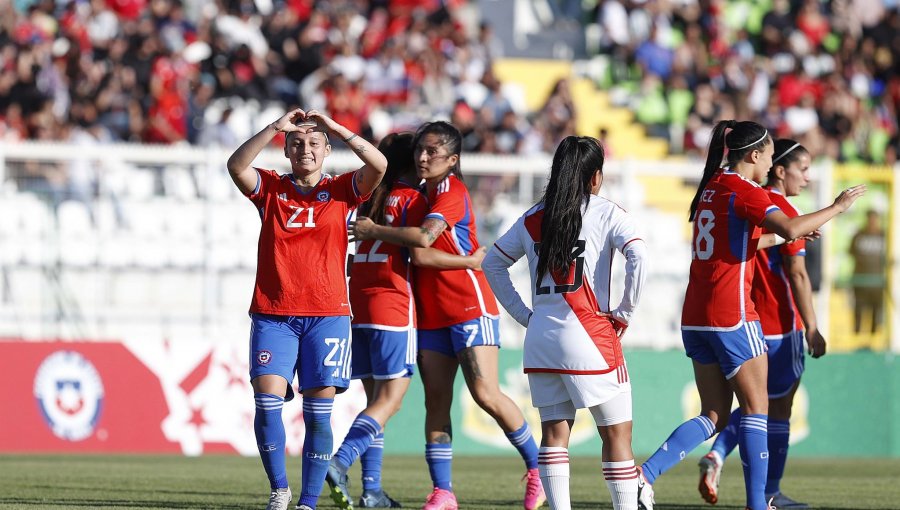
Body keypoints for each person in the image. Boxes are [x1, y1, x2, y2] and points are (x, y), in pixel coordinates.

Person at [635, 120, 865, 510]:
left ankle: (643, 477)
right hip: (733, 314)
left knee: (713, 414)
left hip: (694, 315)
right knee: (758, 410)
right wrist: (837, 207)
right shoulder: (747, 190)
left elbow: (749, 238)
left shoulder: (712, 186)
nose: (772, 163)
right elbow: (791, 226)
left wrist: (787, 234)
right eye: (772, 156)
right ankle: (759, 504)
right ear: (755, 156)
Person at [350, 121, 545, 510]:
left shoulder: (451, 192)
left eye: (432, 151)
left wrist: (374, 230)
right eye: (420, 149)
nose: (423, 157)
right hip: (430, 313)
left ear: (452, 159)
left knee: (486, 394)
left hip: (469, 305)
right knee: (435, 403)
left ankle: (539, 470)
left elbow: (422, 246)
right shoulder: (419, 194)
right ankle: (443, 492)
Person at [226, 108, 387, 510]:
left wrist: (336, 127)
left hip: (327, 316)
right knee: (266, 401)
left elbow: (379, 164)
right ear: (286, 150)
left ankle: (308, 502)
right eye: (297, 143)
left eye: (315, 143)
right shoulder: (271, 189)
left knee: (318, 414)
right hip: (274, 314)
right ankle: (279, 490)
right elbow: (235, 165)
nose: (305, 149)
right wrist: (273, 127)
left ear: (327, 150)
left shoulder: (343, 190)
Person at [482, 136, 648, 510]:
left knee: (554, 434)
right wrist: (625, 310)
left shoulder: (532, 217)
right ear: (595, 178)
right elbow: (639, 255)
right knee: (618, 435)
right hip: (590, 334)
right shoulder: (606, 212)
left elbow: (492, 263)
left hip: (542, 338)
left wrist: (525, 315)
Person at [326, 133, 485, 510]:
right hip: (393, 307)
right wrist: (469, 262)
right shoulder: (412, 200)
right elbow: (421, 247)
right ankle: (339, 462)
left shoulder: (368, 200)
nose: (422, 161)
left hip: (358, 306)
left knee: (374, 402)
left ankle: (372, 490)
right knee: (390, 402)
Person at [697, 140, 825, 509]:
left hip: (741, 319)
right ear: (779, 169)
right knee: (774, 407)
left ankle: (720, 456)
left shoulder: (742, 200)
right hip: (778, 325)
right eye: (802, 168)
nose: (807, 176)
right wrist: (811, 326)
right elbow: (798, 274)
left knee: (752, 404)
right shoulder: (779, 208)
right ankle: (769, 492)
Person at [849, 209, 886, 335]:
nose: (872, 221)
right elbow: (851, 252)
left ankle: (874, 336)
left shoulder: (884, 235)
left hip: (878, 281)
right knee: (859, 309)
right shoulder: (859, 235)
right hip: (860, 279)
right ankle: (857, 334)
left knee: (876, 310)